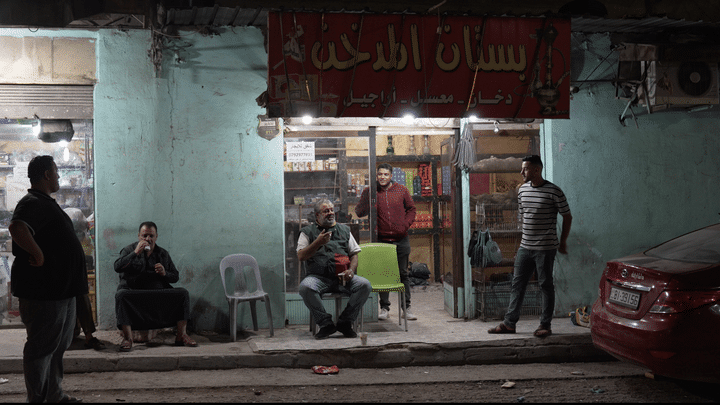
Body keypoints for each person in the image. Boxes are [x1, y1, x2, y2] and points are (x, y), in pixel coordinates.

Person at [9, 155, 87, 403]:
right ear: (46, 175)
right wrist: (38, 252)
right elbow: (17, 227)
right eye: (56, 172)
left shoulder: (45, 202)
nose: (59, 176)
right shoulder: (31, 201)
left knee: (56, 347)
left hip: (61, 291)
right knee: (41, 349)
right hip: (44, 293)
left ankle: (54, 395)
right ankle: (38, 400)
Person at [488, 155, 572, 338]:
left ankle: (545, 325)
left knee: (545, 285)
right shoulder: (522, 190)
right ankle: (510, 323)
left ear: (536, 170)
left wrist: (563, 241)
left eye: (525, 169)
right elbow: (524, 216)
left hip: (545, 247)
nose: (521, 172)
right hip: (525, 247)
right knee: (517, 284)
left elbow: (567, 215)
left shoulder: (554, 191)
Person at [114, 221, 197, 351]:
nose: (148, 239)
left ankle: (181, 335)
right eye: (144, 235)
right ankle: (128, 338)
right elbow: (117, 267)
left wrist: (165, 273)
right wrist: (135, 253)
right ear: (138, 236)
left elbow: (175, 277)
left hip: (157, 293)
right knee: (121, 295)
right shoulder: (129, 250)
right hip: (135, 293)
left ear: (156, 237)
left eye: (151, 236)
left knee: (182, 293)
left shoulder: (162, 253)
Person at [297, 199, 372, 339]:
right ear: (317, 215)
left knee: (364, 285)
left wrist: (351, 270)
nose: (330, 213)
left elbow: (354, 254)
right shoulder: (307, 232)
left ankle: (345, 322)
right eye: (326, 211)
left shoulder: (344, 230)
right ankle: (326, 324)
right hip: (318, 277)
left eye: (332, 210)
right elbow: (301, 256)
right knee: (305, 287)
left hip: (342, 278)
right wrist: (318, 242)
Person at [355, 163, 417, 320]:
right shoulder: (370, 191)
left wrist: (405, 225)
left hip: (401, 239)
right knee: (383, 274)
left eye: (385, 174)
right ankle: (384, 309)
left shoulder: (402, 190)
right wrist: (368, 198)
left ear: (391, 176)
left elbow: (411, 209)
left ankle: (406, 308)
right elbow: (359, 212)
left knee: (403, 274)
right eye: (380, 174)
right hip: (381, 240)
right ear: (377, 176)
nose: (382, 177)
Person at [64, 208, 106, 351]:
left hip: (74, 281)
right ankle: (85, 335)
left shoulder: (81, 242)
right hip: (61, 284)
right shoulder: (63, 240)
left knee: (82, 296)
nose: (79, 233)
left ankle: (88, 336)